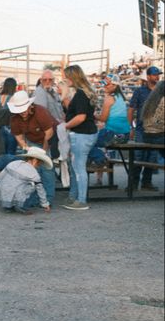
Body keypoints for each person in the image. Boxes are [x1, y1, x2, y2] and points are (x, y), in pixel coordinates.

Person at [8, 90, 57, 206]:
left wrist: (43, 152)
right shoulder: (15, 119)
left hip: (47, 140)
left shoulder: (41, 112)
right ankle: (35, 198)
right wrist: (26, 148)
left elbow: (49, 133)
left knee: (47, 169)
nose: (22, 112)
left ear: (30, 105)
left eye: (23, 109)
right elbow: (18, 137)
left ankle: (48, 199)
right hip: (31, 141)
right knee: (33, 170)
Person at [62, 64, 98, 211]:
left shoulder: (81, 94)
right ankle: (75, 196)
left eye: (67, 77)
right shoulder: (85, 92)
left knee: (78, 168)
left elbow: (81, 117)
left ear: (72, 77)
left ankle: (81, 200)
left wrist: (66, 125)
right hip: (87, 133)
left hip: (82, 134)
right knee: (76, 167)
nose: (65, 79)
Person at [88, 75, 130, 184]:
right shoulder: (121, 97)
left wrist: (93, 115)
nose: (104, 87)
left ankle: (100, 160)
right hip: (124, 135)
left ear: (115, 85)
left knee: (87, 143)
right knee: (95, 143)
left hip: (112, 133)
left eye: (107, 84)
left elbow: (103, 118)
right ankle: (101, 162)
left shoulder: (109, 98)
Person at [128, 65, 163, 190]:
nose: (157, 77)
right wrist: (131, 127)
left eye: (158, 74)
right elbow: (131, 109)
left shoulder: (161, 91)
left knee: (152, 157)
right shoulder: (139, 91)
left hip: (157, 130)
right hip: (141, 129)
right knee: (138, 156)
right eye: (155, 74)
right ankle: (133, 183)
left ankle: (146, 182)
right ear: (148, 76)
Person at [0, 146, 52, 214]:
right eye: (40, 163)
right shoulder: (34, 173)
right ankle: (22, 205)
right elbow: (40, 190)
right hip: (17, 195)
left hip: (1, 193)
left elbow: (2, 174)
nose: (39, 166)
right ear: (35, 160)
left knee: (12, 183)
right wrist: (45, 204)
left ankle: (8, 206)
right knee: (34, 185)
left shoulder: (15, 163)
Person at [141, 79, 165, 169]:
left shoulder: (151, 100)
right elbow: (158, 121)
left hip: (147, 136)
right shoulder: (163, 100)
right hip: (158, 136)